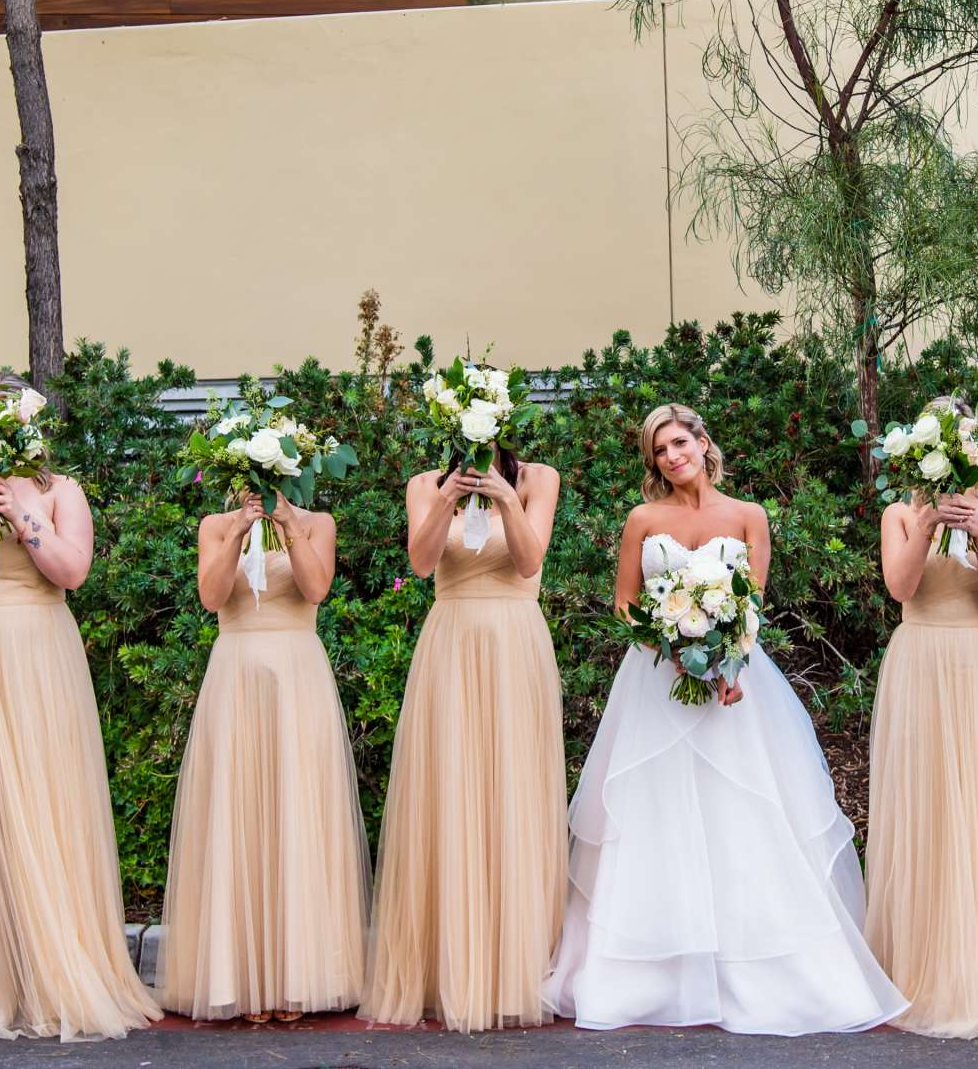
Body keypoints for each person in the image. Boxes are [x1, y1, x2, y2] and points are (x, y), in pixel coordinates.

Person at [543, 404, 906, 1035]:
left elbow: (753, 603)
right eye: (659, 450)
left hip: (735, 686)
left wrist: (723, 661)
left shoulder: (748, 516)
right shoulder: (643, 519)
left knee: (743, 814)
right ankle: (645, 981)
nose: (672, 456)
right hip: (656, 685)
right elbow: (626, 604)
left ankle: (761, 973)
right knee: (654, 816)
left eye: (680, 442)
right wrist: (675, 649)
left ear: (704, 443)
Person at [0, 370, 159, 1041]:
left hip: (40, 657)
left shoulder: (59, 490)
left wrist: (20, 514)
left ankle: (48, 970)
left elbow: (72, 573)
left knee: (43, 804)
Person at [359, 431, 567, 1031]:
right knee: (448, 794)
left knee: (512, 794)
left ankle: (513, 970)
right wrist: (448, 497)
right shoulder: (425, 484)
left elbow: (531, 561)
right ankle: (447, 969)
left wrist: (504, 496)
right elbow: (422, 563)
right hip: (449, 644)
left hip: (514, 645)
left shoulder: (536, 479)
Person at [158, 487, 369, 1021]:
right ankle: (242, 978)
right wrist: (238, 530)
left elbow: (316, 588)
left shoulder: (317, 521)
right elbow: (211, 597)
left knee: (297, 813)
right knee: (239, 814)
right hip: (236, 672)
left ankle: (300, 975)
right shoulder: (214, 525)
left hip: (297, 675)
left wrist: (287, 522)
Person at [863, 423, 978, 1038]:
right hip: (920, 661)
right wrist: (931, 524)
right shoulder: (900, 512)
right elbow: (900, 587)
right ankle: (918, 971)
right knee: (926, 810)